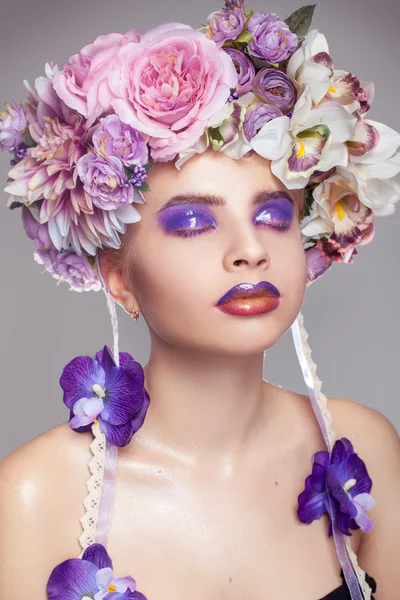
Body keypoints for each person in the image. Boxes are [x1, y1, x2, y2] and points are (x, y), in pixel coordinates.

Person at [0, 2, 399, 599]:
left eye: (272, 215)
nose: (249, 250)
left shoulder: (363, 444)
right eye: (191, 223)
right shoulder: (30, 495)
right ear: (118, 276)